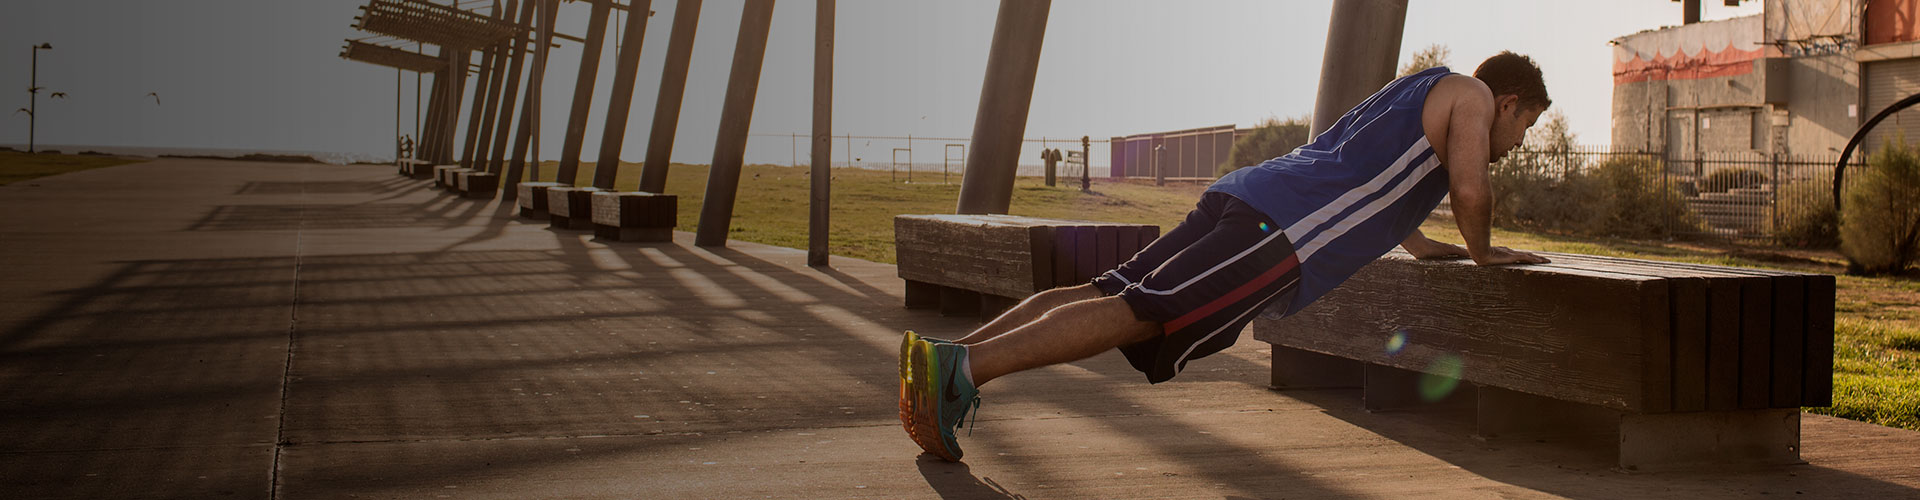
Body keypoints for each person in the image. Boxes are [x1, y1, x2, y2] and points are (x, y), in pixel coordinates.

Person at [899, 52, 1556, 462]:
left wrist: (1427, 247)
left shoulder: (1419, 90)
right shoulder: (1470, 95)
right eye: (1523, 127)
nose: (1517, 142)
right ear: (1507, 102)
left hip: (1248, 197)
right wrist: (1483, 254)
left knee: (1106, 289)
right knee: (1143, 313)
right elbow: (1474, 191)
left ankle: (938, 358)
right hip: (1281, 233)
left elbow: (1381, 196)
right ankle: (963, 372)